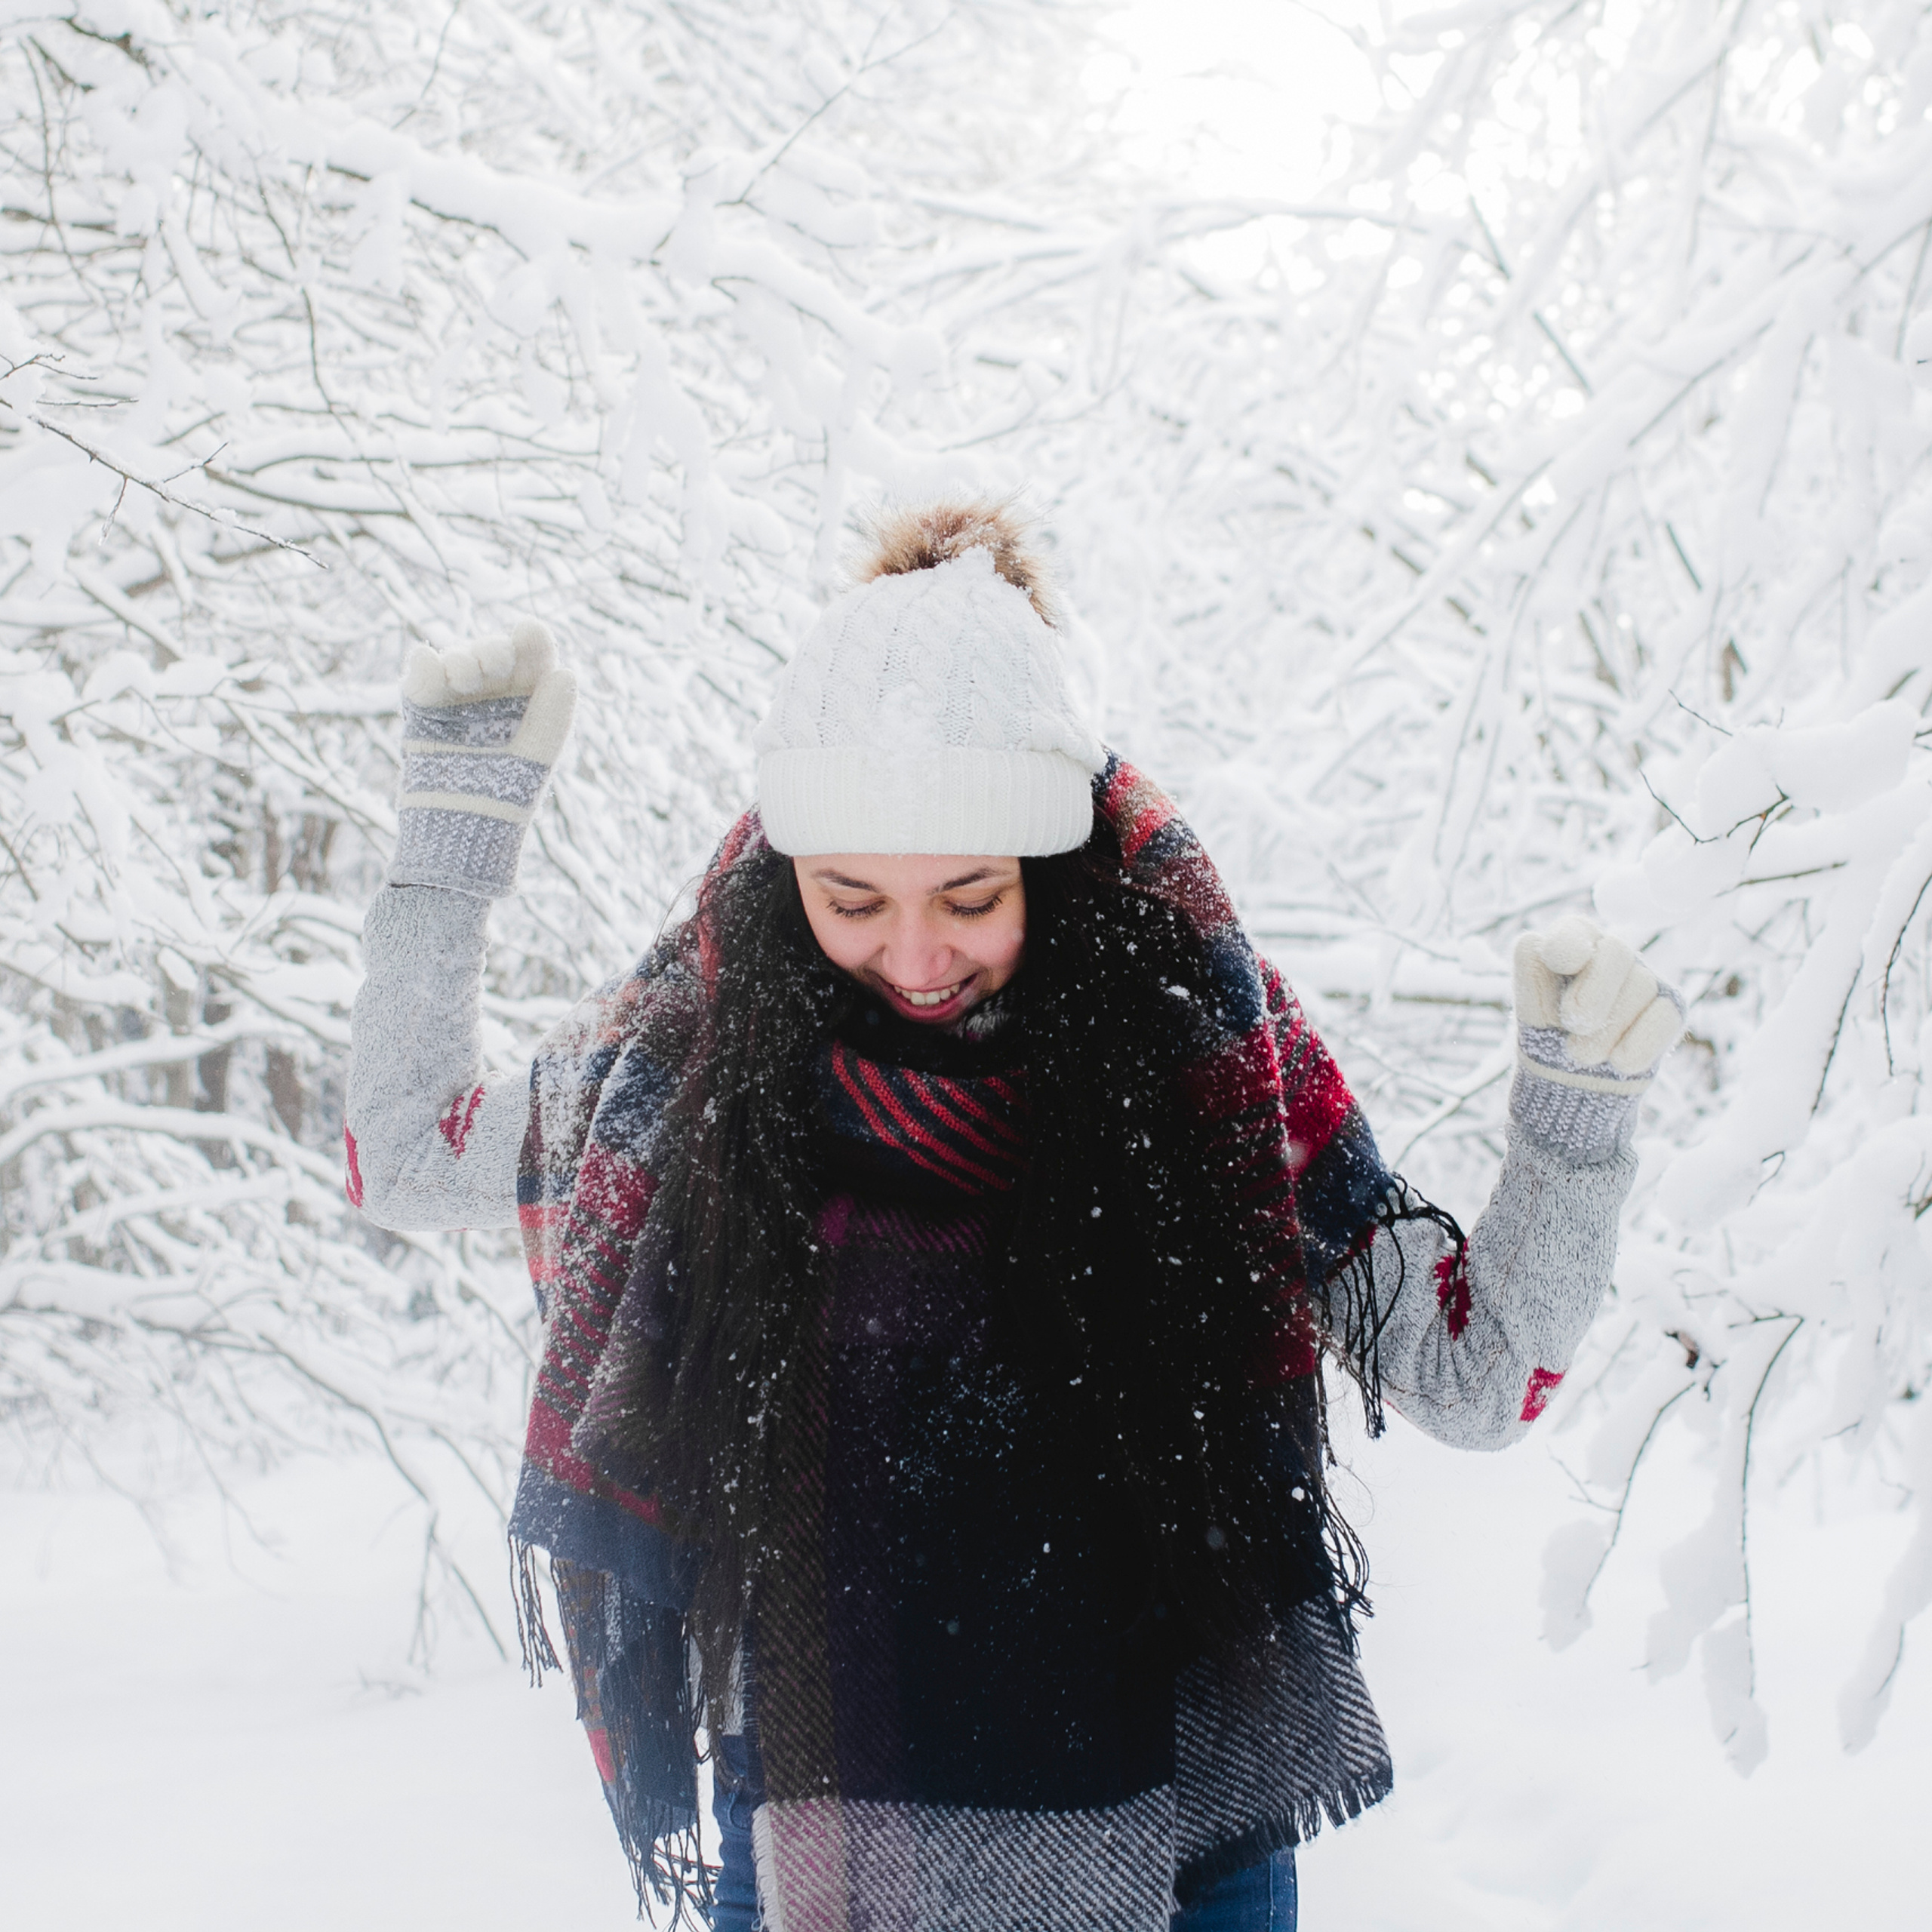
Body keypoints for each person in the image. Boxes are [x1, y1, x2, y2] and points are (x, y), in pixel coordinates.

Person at [346, 502, 1681, 1932]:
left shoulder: (1192, 1052)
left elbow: (1473, 1378)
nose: (912, 957)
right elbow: (409, 1155)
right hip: (808, 1830)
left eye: (970, 897)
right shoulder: (704, 1059)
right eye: (851, 898)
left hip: (1183, 1830)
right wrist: (452, 843)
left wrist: (1574, 1134)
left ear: (1043, 863)